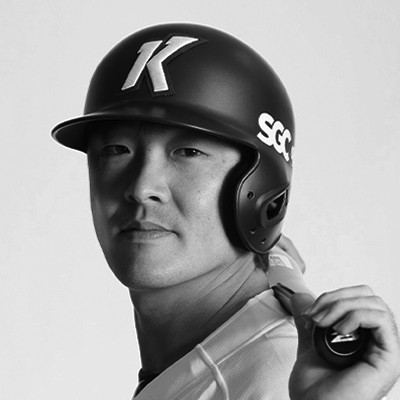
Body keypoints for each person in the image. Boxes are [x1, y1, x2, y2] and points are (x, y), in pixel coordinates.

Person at [51, 23, 400, 399]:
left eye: (188, 152)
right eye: (116, 150)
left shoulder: (276, 379)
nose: (141, 188)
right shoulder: (229, 360)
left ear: (262, 193)